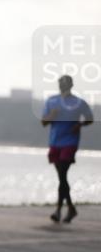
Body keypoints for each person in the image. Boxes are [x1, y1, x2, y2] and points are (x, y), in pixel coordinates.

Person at [41, 75, 94, 223]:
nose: (62, 86)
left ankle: (58, 210)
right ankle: (70, 208)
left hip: (70, 142)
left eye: (65, 84)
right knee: (62, 177)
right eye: (60, 83)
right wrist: (52, 115)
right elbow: (44, 123)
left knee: (62, 175)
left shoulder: (79, 102)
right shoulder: (51, 101)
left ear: (71, 85)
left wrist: (80, 125)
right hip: (55, 142)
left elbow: (89, 118)